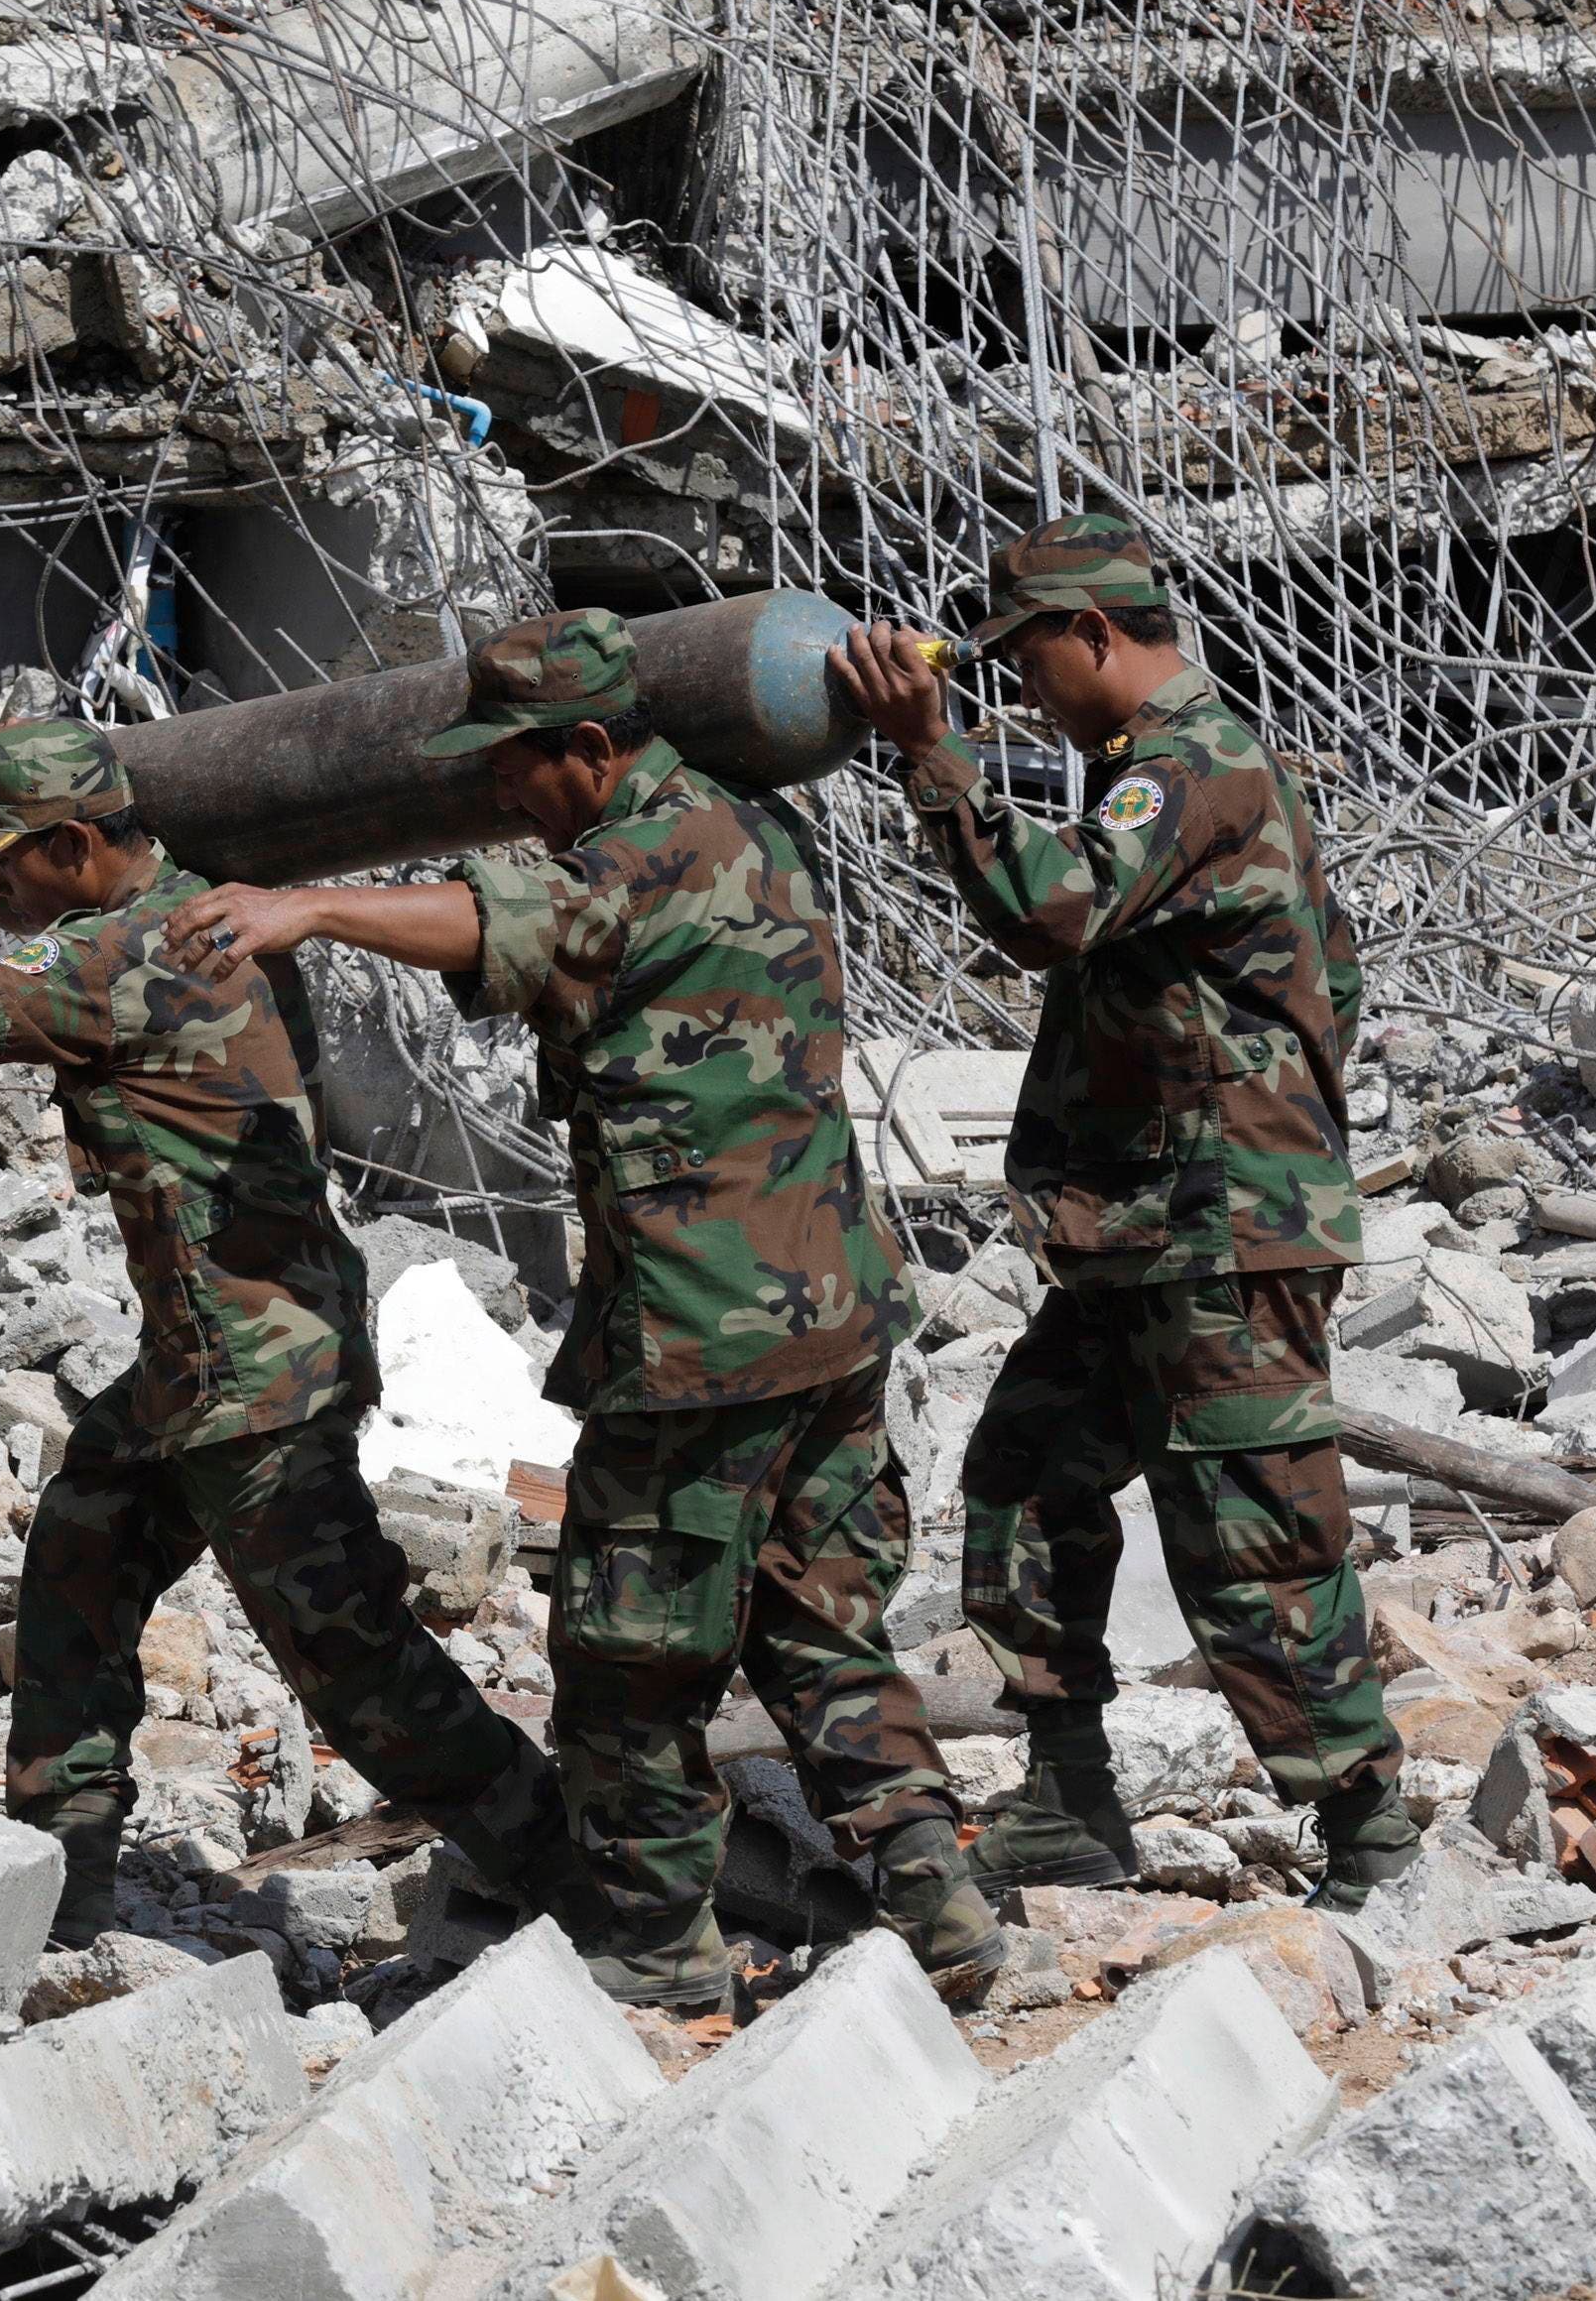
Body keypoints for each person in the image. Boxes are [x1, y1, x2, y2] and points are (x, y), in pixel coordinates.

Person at [0, 718, 588, 1948]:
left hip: (250, 1369)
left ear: (77, 845)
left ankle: (581, 1876)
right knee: (82, 1546)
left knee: (352, 1664)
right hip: (228, 1342)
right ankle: (59, 1868)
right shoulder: (194, 906)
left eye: (0, 868)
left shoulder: (132, 952)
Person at [173, 609, 1004, 2006]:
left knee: (631, 1663)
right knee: (821, 1633)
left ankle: (657, 1949)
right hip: (835, 1315)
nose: (500, 792)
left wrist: (304, 906)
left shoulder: (631, 864)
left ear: (594, 747)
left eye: (517, 765)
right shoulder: (751, 827)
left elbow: (497, 921)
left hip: (704, 1341)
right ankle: (948, 1914)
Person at [831, 513, 1417, 1912]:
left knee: (1251, 1535)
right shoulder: (1157, 772)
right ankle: (1071, 1794)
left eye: (1028, 657)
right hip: (1150, 1228)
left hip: (1220, 1232)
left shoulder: (1191, 765)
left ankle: (1371, 1833)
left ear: (1094, 634)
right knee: (1026, 1479)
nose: (1019, 688)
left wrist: (932, 752)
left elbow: (1053, 908)